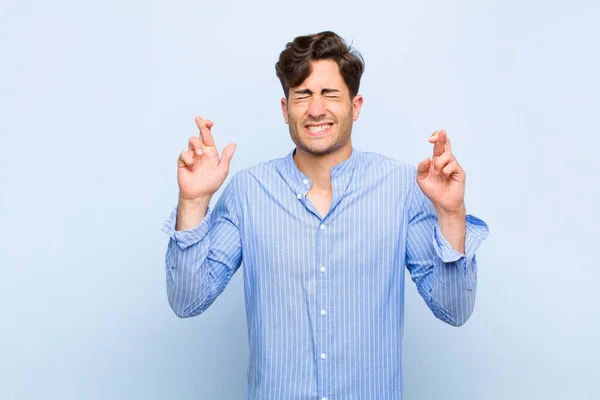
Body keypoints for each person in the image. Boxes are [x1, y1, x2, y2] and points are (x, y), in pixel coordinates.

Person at [162, 31, 489, 399]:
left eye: (329, 93)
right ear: (286, 109)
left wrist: (450, 214)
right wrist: (192, 202)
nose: (316, 109)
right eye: (302, 95)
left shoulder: (400, 189)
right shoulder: (248, 191)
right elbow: (187, 300)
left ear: (356, 105)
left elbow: (454, 309)